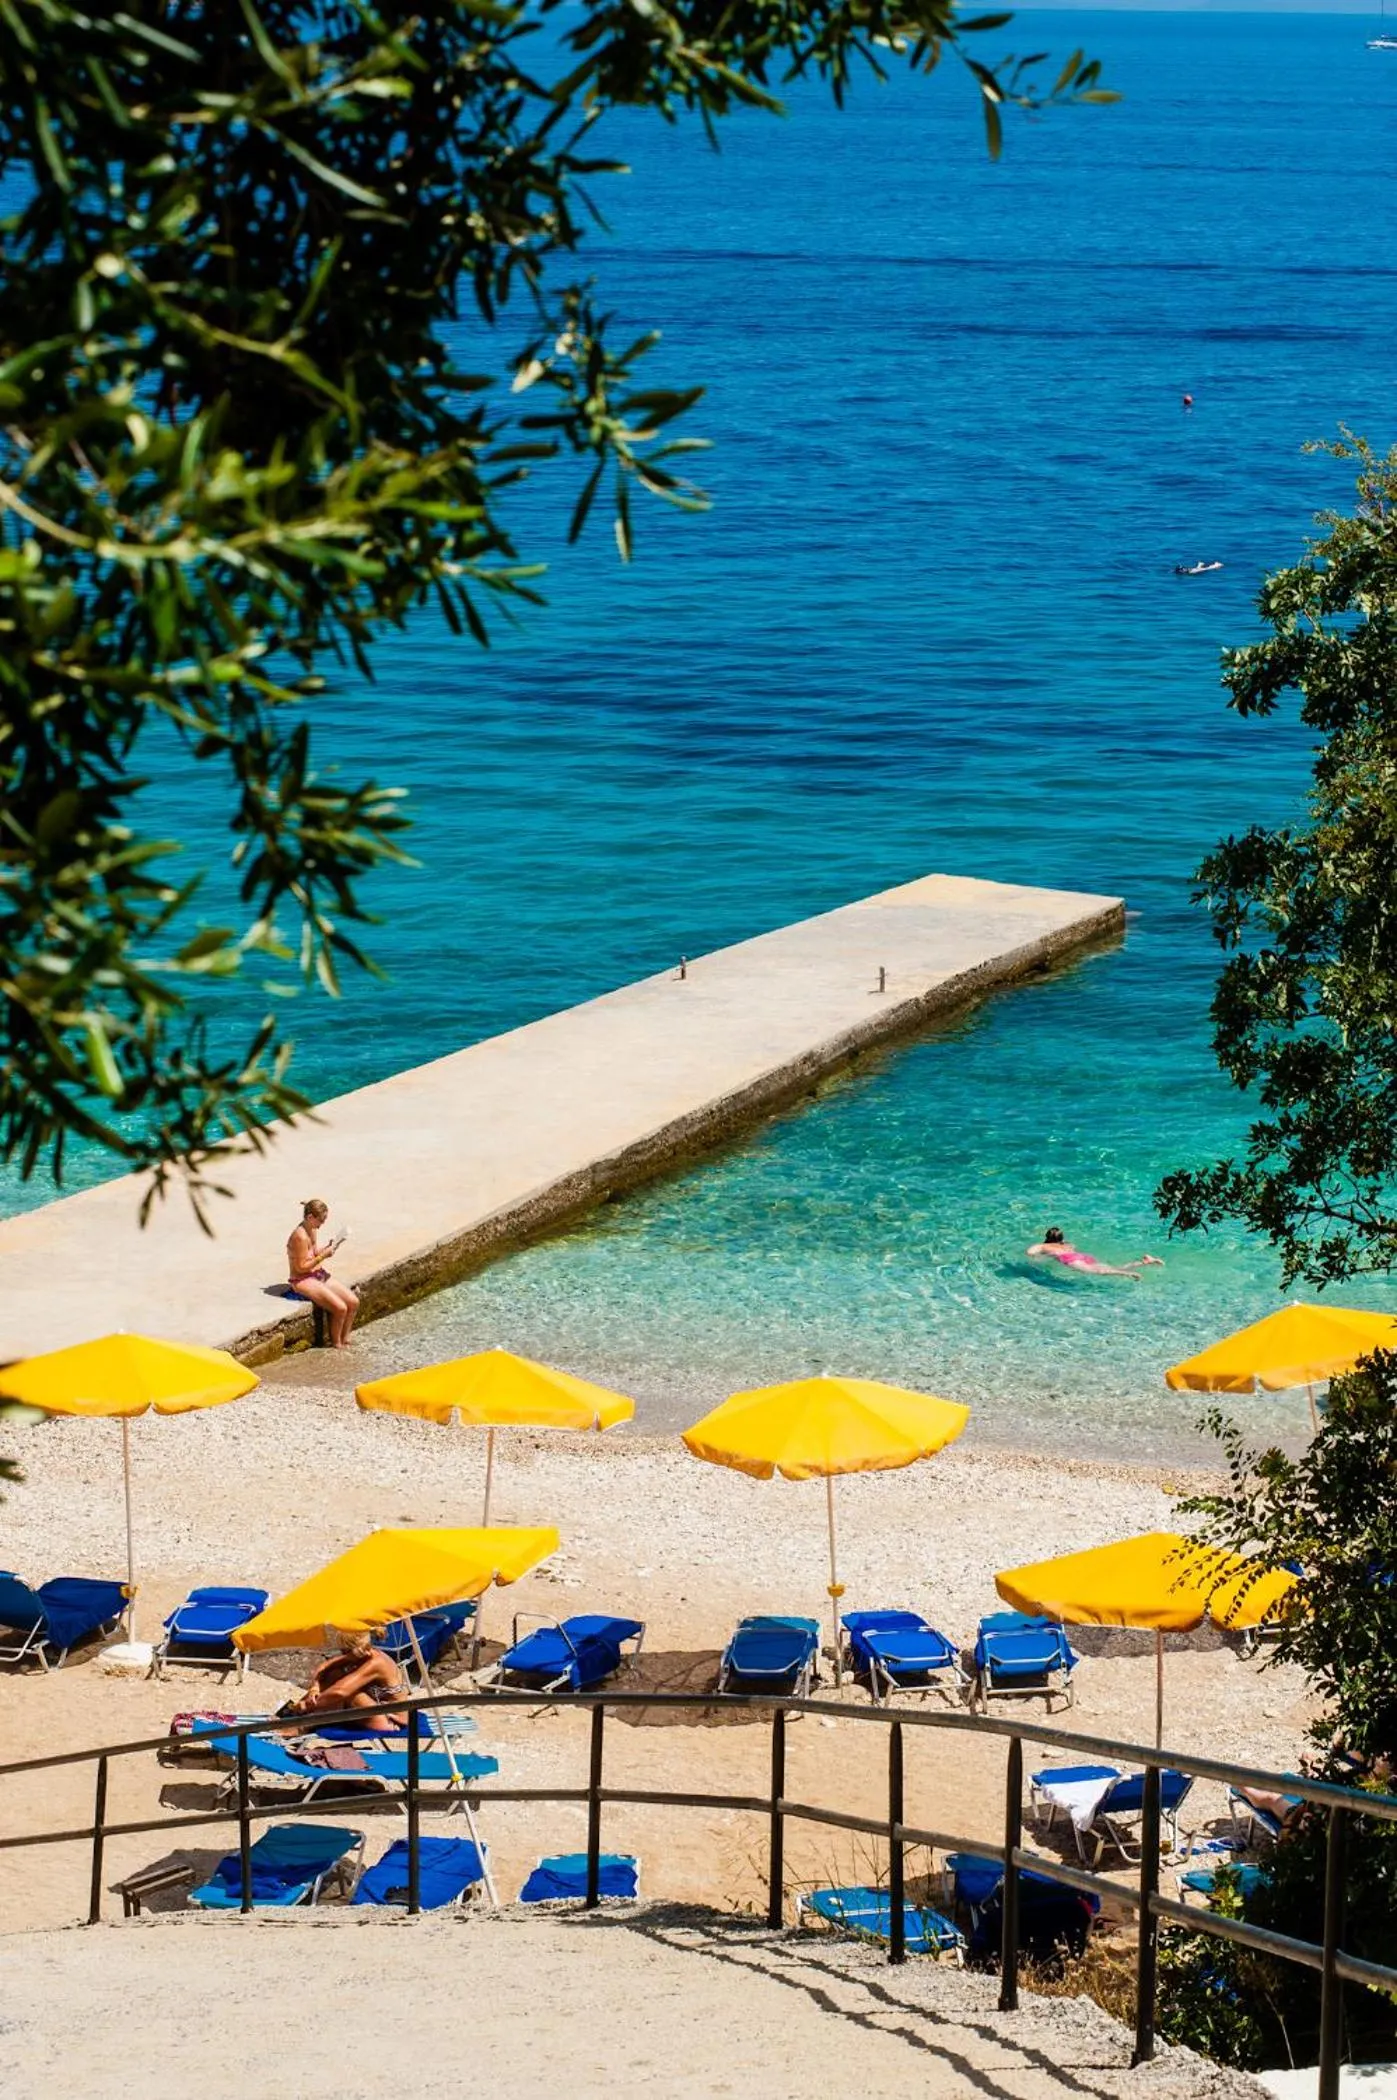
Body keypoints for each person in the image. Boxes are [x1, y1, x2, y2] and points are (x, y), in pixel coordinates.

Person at [281, 1633, 407, 1733]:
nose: (342, 1654)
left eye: (344, 1651)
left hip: (390, 1721)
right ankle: (293, 1714)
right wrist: (315, 1687)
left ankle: (302, 1725)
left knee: (347, 1692)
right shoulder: (363, 1653)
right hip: (374, 1710)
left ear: (355, 1650)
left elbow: (340, 1692)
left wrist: (306, 1705)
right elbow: (325, 1666)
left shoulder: (376, 1663)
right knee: (334, 1674)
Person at [287, 1197, 359, 1347]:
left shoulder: (312, 1229)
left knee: (353, 1302)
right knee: (340, 1308)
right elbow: (301, 1267)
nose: (322, 1224)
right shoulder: (299, 1237)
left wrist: (329, 1247)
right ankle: (337, 1346)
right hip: (302, 1279)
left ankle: (345, 1339)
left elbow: (313, 1253)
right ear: (310, 1217)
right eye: (321, 1220)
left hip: (316, 1273)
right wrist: (323, 1256)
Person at [1026, 1225, 1164, 1282]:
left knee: (1099, 1272)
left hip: (1069, 1259)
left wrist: (1038, 1257)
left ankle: (1128, 1274)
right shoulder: (1067, 1244)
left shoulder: (1042, 1245)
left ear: (1047, 1236)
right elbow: (1073, 1247)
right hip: (1083, 1256)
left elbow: (1029, 1252)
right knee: (1112, 1268)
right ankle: (1144, 1261)